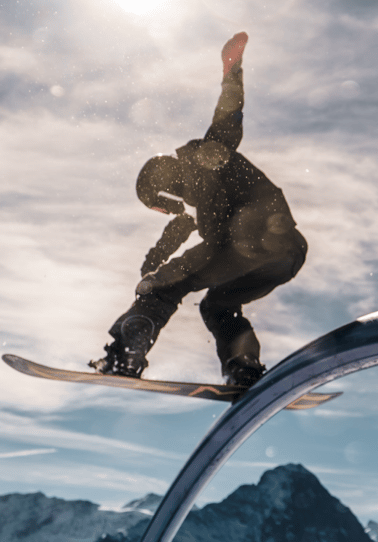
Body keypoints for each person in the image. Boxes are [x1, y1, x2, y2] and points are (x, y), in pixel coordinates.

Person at [90, 32, 307, 387]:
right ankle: (243, 367)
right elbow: (181, 226)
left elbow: (229, 114)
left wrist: (231, 67)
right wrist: (156, 258)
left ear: (166, 183)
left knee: (161, 289)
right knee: (217, 306)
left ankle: (128, 352)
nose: (174, 207)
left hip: (246, 242)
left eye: (162, 203)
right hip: (288, 252)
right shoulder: (201, 198)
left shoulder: (206, 157)